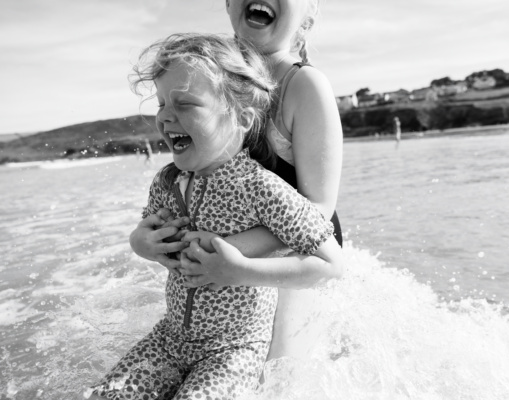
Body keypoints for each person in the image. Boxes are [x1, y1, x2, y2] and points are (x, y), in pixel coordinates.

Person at [86, 33, 343, 400]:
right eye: (161, 103)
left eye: (185, 104)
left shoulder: (261, 188)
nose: (164, 116)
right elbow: (147, 231)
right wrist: (140, 243)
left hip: (232, 349)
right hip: (170, 339)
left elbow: (330, 265)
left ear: (241, 116)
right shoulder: (167, 181)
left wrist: (239, 270)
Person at [131, 0, 344, 361]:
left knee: (274, 373)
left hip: (297, 250)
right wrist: (145, 240)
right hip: (220, 256)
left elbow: (320, 207)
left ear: (307, 16)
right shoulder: (206, 70)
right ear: (228, 5)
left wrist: (226, 255)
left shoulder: (304, 84)